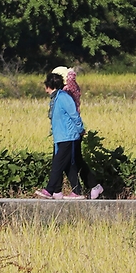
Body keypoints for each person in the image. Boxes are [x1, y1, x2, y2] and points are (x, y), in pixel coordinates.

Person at [45, 67, 104, 200]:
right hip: (64, 134)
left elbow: (73, 114)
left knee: (68, 162)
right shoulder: (64, 92)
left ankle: (57, 190)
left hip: (69, 134)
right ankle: (84, 188)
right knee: (73, 162)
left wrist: (80, 128)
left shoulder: (65, 94)